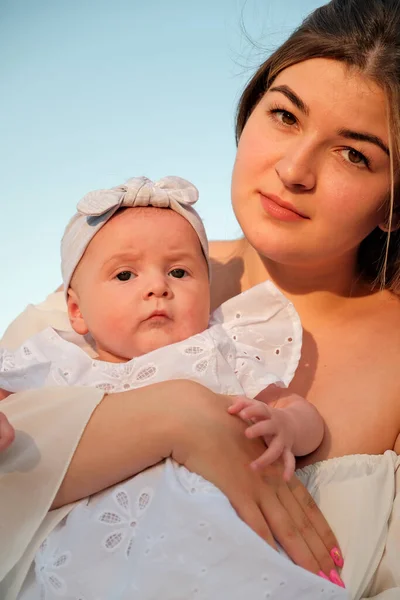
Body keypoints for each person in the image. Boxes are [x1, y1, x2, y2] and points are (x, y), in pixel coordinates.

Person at [1, 0, 400, 598]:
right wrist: (181, 416)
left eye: (353, 153)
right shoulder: (121, 269)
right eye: (286, 116)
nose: (294, 169)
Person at [0, 175, 324, 481]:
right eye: (125, 275)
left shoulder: (217, 350)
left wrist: (288, 425)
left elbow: (295, 409)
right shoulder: (59, 365)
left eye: (179, 273)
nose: (158, 286)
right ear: (76, 310)